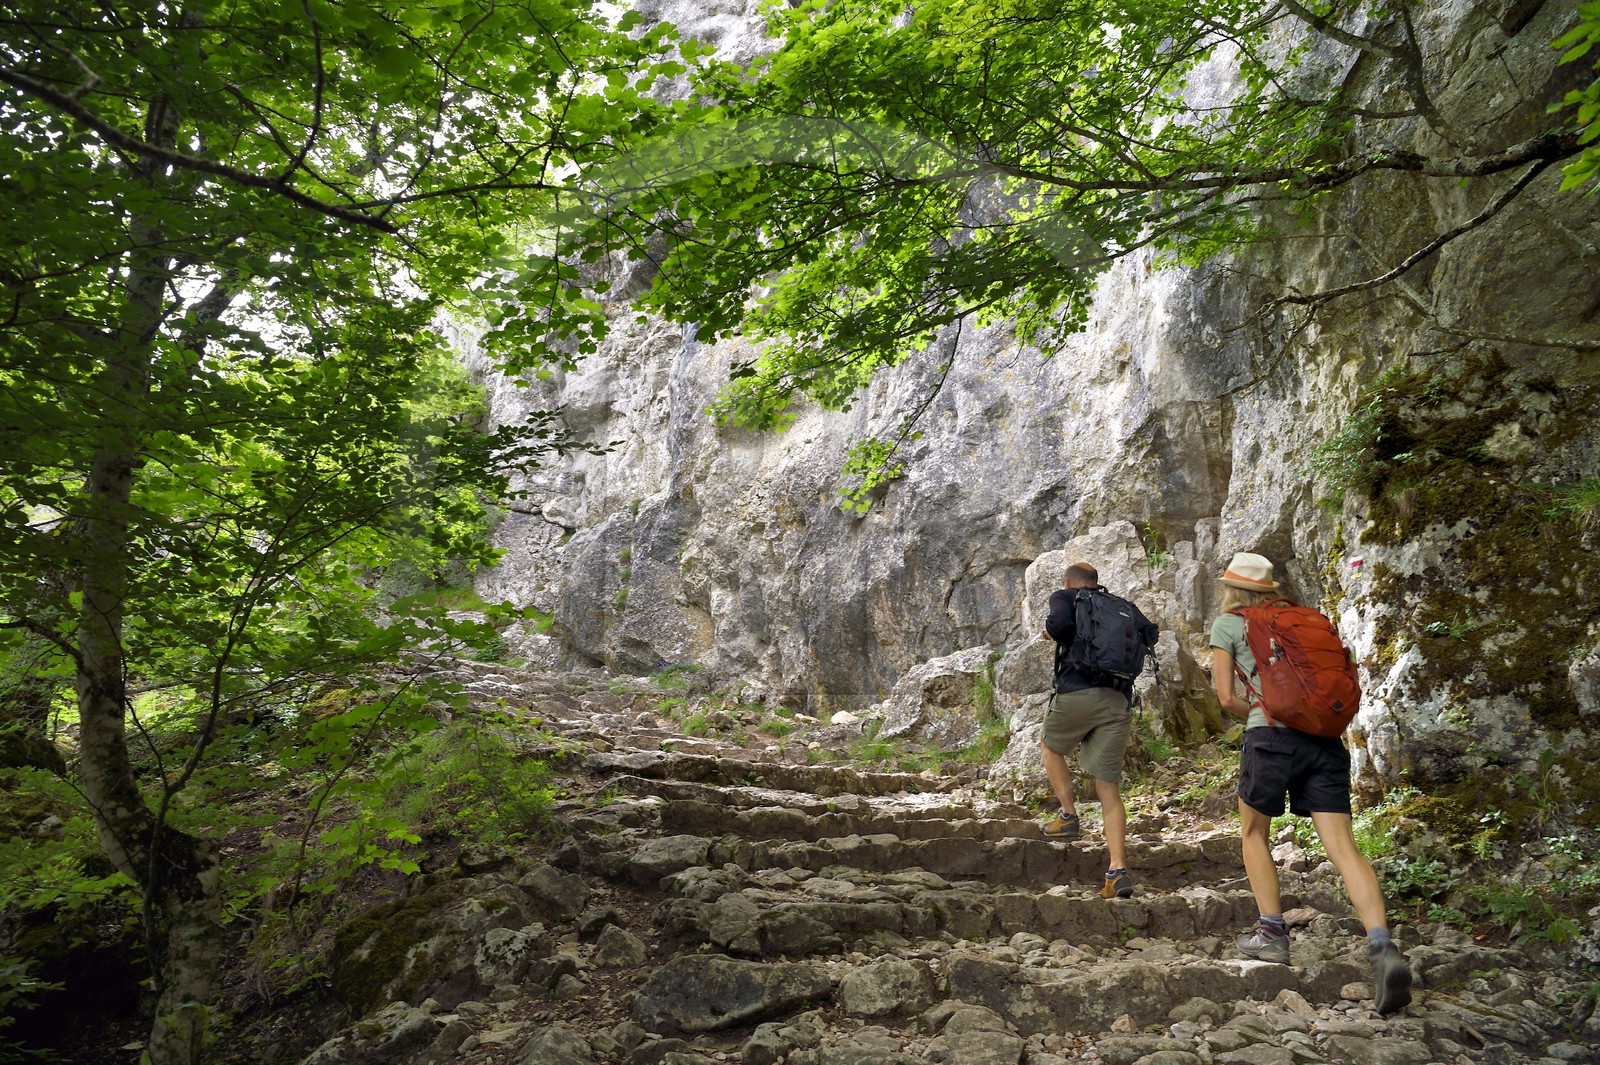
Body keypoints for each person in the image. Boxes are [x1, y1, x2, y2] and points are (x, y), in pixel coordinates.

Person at [1209, 551, 1413, 1014]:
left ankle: (1271, 932)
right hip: (1323, 740)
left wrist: (1261, 712)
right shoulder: (1308, 621)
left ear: (1233, 589)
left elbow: (1225, 697)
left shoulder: (1230, 624)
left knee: (1253, 833)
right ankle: (1381, 944)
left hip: (1270, 739)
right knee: (1344, 848)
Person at [1041, 561, 1158, 899]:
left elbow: (1059, 625)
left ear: (1069, 582)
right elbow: (1150, 634)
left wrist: (1050, 633)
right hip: (1118, 699)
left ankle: (1068, 814)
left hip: (1077, 692)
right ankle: (1117, 871)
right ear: (1096, 582)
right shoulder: (1121, 605)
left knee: (1050, 746)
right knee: (1108, 788)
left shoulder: (1065, 596)